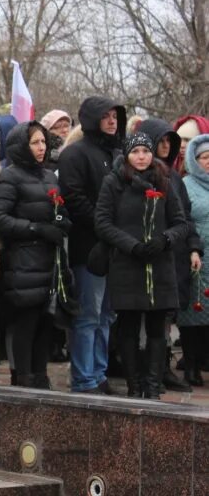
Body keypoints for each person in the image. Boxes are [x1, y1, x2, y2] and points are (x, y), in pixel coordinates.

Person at [94, 133, 191, 398]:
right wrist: (131, 245)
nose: (141, 157)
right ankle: (134, 385)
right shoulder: (113, 182)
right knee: (128, 327)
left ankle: (152, 386)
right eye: (135, 151)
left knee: (157, 328)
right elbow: (103, 222)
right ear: (127, 155)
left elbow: (181, 223)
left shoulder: (165, 181)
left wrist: (164, 239)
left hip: (159, 265)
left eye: (146, 152)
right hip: (127, 263)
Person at [0, 122, 73, 389]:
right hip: (23, 262)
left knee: (45, 323)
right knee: (25, 324)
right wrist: (36, 229)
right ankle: (23, 377)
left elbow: (58, 209)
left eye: (43, 142)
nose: (41, 148)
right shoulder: (10, 176)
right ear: (21, 146)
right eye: (35, 143)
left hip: (49, 261)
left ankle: (41, 377)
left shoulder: (49, 176)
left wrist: (61, 222)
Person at [58, 96, 126, 394]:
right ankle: (84, 378)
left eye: (115, 116)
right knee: (88, 315)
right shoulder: (75, 154)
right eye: (106, 116)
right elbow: (74, 198)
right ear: (91, 118)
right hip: (89, 248)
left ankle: (98, 373)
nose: (112, 121)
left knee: (107, 315)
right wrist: (106, 228)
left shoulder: (118, 153)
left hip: (116, 249)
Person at [140, 118, 202, 393]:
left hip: (174, 254)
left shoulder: (175, 177)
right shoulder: (139, 173)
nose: (165, 146)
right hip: (149, 253)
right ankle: (146, 371)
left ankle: (162, 368)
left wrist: (193, 247)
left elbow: (185, 217)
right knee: (147, 318)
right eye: (161, 141)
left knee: (166, 316)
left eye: (169, 141)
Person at [183, 135, 209, 386]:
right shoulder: (186, 185)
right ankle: (190, 364)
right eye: (205, 157)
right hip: (197, 257)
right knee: (193, 311)